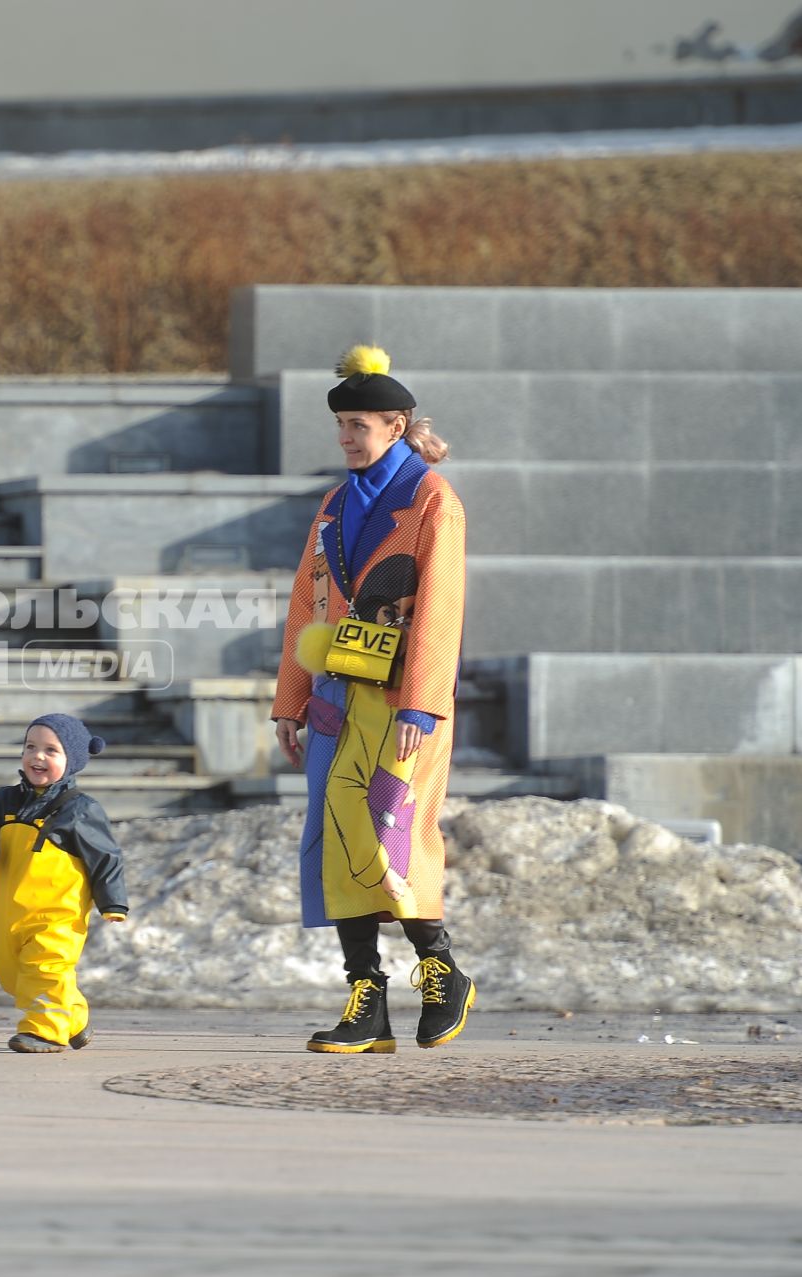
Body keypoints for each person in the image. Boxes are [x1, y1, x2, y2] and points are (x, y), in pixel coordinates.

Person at [272, 345, 476, 1054]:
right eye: (342, 425)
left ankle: (441, 970)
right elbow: (308, 602)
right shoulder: (333, 505)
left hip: (400, 703)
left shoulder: (431, 501)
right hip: (336, 696)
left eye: (359, 425)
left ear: (396, 425)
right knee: (338, 839)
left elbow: (441, 611)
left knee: (395, 833)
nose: (347, 437)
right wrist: (289, 698)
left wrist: (422, 703)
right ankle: (367, 997)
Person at [0, 713, 128, 1053]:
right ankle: (74, 1018)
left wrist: (113, 903)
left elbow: (106, 856)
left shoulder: (79, 809)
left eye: (51, 750)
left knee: (45, 966)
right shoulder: (5, 801)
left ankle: (45, 1031)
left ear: (71, 761)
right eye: (31, 747)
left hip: (58, 913)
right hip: (13, 909)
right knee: (10, 972)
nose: (38, 756)